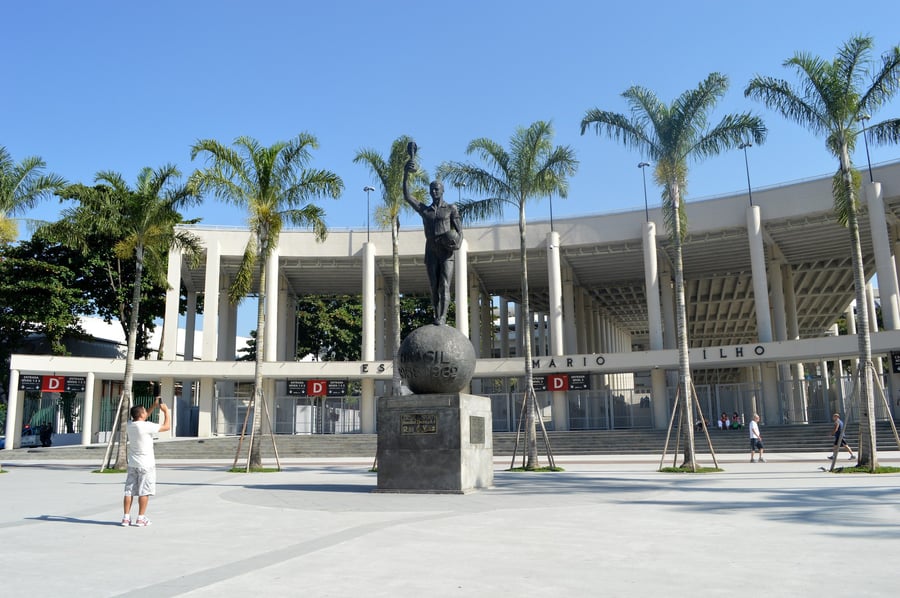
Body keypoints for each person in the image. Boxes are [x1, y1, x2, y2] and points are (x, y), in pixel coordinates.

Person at [402, 141, 463, 326]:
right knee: (433, 286)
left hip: (446, 250)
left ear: (443, 191)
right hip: (431, 249)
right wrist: (406, 173)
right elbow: (407, 196)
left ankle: (442, 317)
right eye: (432, 189)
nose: (434, 191)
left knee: (444, 285)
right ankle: (436, 315)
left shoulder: (451, 209)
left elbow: (460, 232)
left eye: (437, 188)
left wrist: (457, 243)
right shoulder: (425, 210)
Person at [122, 396, 170, 527]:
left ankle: (126, 518)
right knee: (144, 491)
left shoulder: (129, 425)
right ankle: (140, 518)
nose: (145, 412)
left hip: (132, 464)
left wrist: (154, 406)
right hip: (146, 465)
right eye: (144, 411)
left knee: (129, 491)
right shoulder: (146, 426)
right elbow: (167, 427)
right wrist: (166, 411)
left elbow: (142, 418)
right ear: (142, 414)